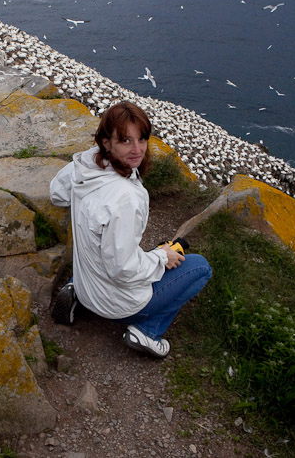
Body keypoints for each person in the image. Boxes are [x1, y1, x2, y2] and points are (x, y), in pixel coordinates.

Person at [49, 101, 212, 358]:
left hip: (87, 284)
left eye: (142, 139)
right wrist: (161, 258)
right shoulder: (125, 197)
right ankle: (147, 331)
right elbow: (122, 269)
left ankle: (75, 292)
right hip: (116, 303)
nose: (137, 150)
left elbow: (56, 193)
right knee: (200, 267)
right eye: (126, 141)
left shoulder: (84, 167)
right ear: (106, 142)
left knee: (119, 248)